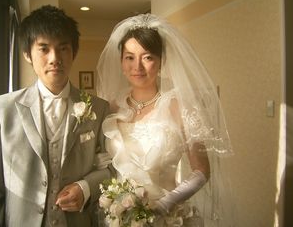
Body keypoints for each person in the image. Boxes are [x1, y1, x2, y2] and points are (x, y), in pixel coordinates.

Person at [0, 5, 113, 227]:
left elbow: (111, 170)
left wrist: (85, 187)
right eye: (43, 48)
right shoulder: (2, 109)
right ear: (27, 54)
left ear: (74, 52)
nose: (54, 58)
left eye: (63, 48)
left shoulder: (99, 109)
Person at [96, 14, 234, 226]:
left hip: (167, 216)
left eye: (147, 57)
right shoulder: (111, 107)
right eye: (130, 57)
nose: (137, 66)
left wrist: (163, 205)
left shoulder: (180, 106)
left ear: (161, 61)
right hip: (120, 218)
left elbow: (202, 171)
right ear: (121, 62)